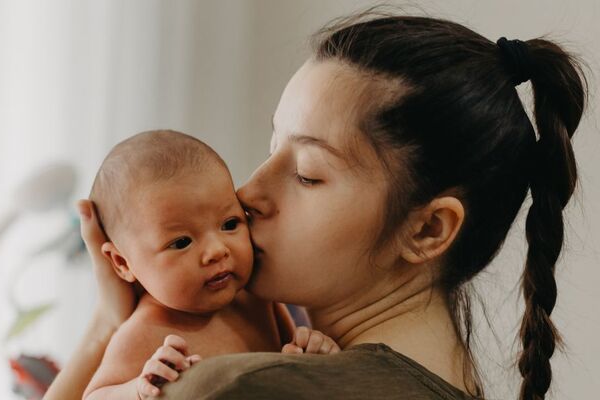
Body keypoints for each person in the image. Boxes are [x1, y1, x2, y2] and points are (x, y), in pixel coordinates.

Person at [45, 11, 587, 400]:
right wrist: (118, 324)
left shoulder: (242, 387)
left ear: (427, 230)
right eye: (270, 147)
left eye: (306, 174)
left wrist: (104, 335)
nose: (250, 194)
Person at [81, 130, 336, 400]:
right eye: (181, 242)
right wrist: (137, 389)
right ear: (122, 263)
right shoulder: (142, 332)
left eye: (229, 224)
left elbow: (290, 357)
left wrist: (310, 352)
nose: (216, 250)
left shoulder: (255, 300)